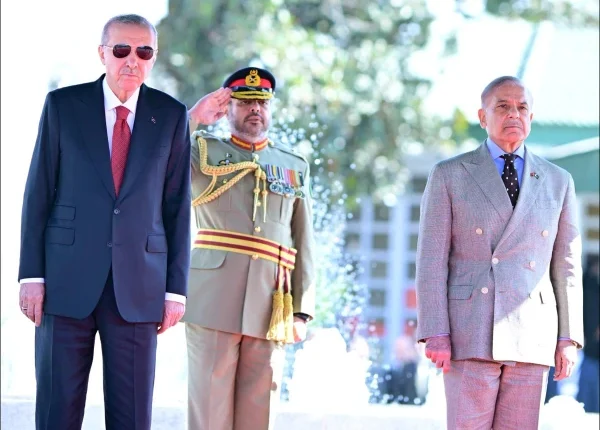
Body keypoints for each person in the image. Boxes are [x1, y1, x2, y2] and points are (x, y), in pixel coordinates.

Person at [17, 14, 191, 430]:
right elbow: (38, 194)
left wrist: (175, 291)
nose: (132, 60)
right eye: (122, 50)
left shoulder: (171, 115)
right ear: (102, 53)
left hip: (140, 288)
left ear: (153, 58)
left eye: (143, 52)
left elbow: (177, 207)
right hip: (64, 283)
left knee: (131, 418)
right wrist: (31, 276)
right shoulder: (63, 106)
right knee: (56, 414)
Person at [415, 76, 584, 429]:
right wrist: (436, 331)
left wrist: (568, 337)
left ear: (531, 117)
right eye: (503, 106)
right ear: (482, 116)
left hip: (531, 332)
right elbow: (431, 260)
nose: (513, 114)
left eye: (522, 108)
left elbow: (566, 266)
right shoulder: (449, 174)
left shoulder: (558, 180)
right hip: (469, 329)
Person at [183, 66, 316, 430]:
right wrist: (194, 117)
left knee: (260, 414)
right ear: (227, 108)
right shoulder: (202, 150)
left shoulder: (294, 165)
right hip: (212, 300)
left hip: (271, 303)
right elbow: (156, 152)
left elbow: (303, 240)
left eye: (262, 102)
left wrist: (301, 311)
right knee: (209, 412)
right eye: (244, 102)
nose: (255, 108)